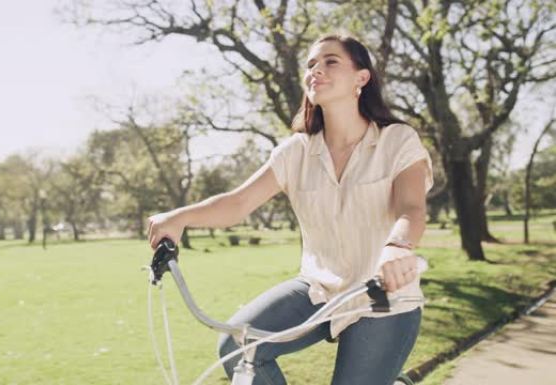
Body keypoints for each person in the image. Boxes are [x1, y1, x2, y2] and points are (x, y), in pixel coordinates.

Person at [146, 32, 433, 385]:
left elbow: (411, 208)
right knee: (239, 346)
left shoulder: (398, 140)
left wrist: (397, 247)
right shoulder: (296, 152)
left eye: (331, 62)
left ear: (362, 77)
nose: (317, 71)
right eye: (311, 64)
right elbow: (237, 203)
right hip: (317, 289)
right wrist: (180, 217)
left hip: (382, 296)